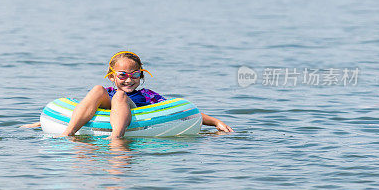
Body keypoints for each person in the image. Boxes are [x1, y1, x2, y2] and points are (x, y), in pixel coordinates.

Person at [22, 50, 233, 138]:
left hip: (132, 117)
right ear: (112, 76)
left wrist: (214, 122)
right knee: (97, 91)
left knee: (121, 97)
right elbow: (85, 107)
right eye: (122, 75)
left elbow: (182, 114)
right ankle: (68, 134)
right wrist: (39, 123)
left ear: (141, 76)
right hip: (104, 107)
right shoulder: (107, 91)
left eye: (134, 75)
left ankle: (117, 137)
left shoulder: (148, 95)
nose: (128, 79)